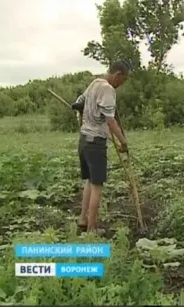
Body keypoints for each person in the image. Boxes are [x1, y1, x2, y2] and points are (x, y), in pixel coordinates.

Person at [73, 60, 130, 234]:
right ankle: (92, 229)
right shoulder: (107, 89)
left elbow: (78, 102)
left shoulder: (94, 83)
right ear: (117, 75)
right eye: (123, 80)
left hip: (84, 140)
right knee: (97, 185)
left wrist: (84, 112)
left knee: (90, 182)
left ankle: (83, 221)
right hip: (96, 143)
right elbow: (110, 120)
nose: (122, 84)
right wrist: (123, 141)